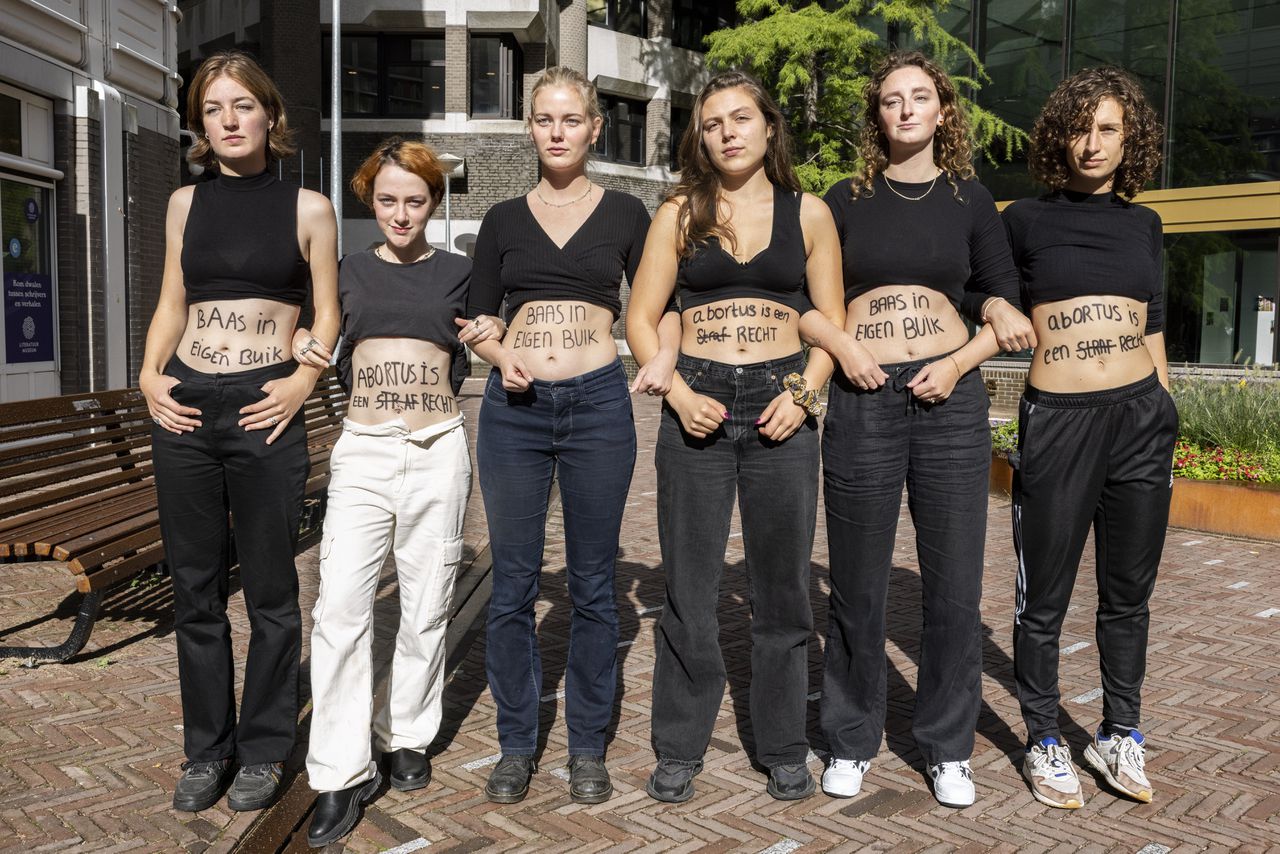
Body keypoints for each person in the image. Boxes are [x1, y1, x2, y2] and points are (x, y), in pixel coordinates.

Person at [803, 50, 1033, 808]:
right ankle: (849, 738)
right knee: (858, 583)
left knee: (955, 586)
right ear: (878, 116)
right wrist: (843, 351)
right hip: (863, 398)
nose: (905, 110)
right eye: (892, 100)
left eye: (920, 98)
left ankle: (947, 748)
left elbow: (1001, 298)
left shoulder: (970, 199)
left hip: (949, 402)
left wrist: (962, 359)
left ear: (942, 112)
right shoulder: (843, 199)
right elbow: (811, 300)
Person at [458, 66, 681, 806]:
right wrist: (499, 355)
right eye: (544, 120)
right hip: (514, 416)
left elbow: (663, 305)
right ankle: (518, 743)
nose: (557, 131)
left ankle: (587, 746)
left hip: (596, 407)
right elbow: (477, 323)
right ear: (531, 130)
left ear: (592, 128)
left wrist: (665, 361)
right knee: (514, 585)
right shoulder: (501, 220)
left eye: (570, 119)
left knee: (591, 588)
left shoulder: (624, 213)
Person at [626, 69, 847, 803]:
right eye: (713, 122)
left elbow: (831, 324)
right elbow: (642, 316)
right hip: (701, 406)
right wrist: (681, 393)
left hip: (781, 406)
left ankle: (783, 744)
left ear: (769, 127)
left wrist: (805, 393)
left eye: (740, 118)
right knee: (688, 587)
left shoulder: (809, 213)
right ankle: (679, 744)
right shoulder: (679, 213)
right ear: (701, 136)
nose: (726, 132)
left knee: (782, 587)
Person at [139, 49, 339, 813]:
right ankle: (206, 749)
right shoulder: (185, 205)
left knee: (270, 590)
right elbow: (171, 303)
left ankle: (261, 748)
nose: (228, 119)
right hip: (186, 408)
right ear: (201, 123)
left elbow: (328, 315)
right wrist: (151, 374)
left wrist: (301, 381)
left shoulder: (309, 208)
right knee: (194, 592)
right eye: (213, 108)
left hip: (264, 410)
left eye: (242, 105)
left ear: (270, 116)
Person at [288, 139, 476, 846]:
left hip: (438, 451)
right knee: (339, 609)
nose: (402, 212)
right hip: (363, 452)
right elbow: (313, 333)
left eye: (416, 199)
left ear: (433, 201)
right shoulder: (346, 272)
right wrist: (303, 340)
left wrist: (493, 333)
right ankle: (339, 771)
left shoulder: (460, 272)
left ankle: (406, 734)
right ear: (372, 199)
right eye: (389, 199)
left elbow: (487, 335)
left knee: (426, 605)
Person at [1004, 67, 1173, 810]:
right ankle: (1044, 737)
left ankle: (1118, 731)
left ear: (1128, 139)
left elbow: (1155, 324)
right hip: (1060, 423)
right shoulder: (1023, 220)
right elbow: (990, 303)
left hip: (1140, 420)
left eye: (1108, 129)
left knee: (1128, 596)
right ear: (1059, 137)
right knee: (1044, 598)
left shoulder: (1145, 225)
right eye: (1081, 128)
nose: (1093, 143)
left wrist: (1164, 409)